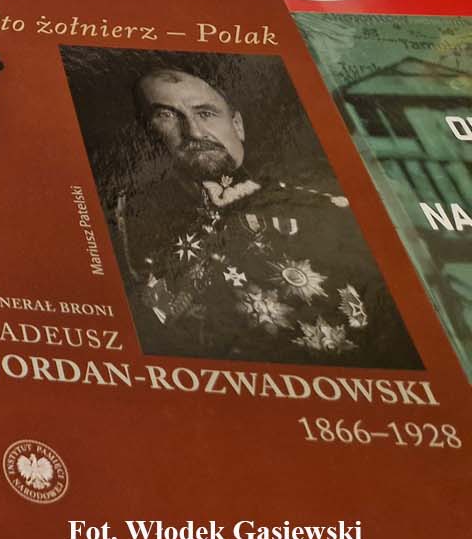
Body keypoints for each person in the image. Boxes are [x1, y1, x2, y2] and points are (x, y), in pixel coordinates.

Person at [111, 66, 418, 368]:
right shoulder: (130, 239)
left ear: (237, 126)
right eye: (167, 116)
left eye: (206, 113)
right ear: (146, 138)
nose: (194, 131)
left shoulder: (331, 213)